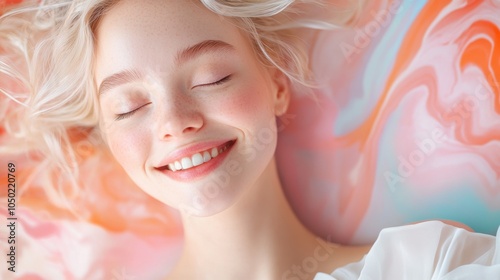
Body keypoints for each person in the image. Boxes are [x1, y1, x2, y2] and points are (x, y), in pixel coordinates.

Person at [0, 1, 498, 279]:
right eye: (129, 108)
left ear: (277, 85)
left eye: (212, 78)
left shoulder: (430, 265)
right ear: (108, 138)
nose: (175, 122)